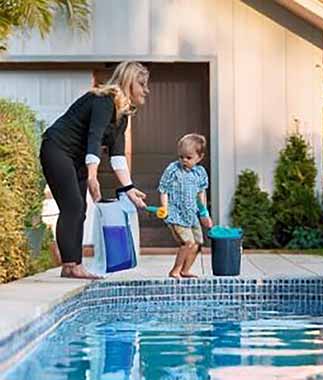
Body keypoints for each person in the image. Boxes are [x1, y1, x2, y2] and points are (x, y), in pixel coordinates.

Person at [40, 61, 150, 279]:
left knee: (79, 210)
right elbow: (94, 137)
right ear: (129, 82)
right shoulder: (103, 101)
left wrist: (129, 188)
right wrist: (92, 176)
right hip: (57, 149)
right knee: (72, 206)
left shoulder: (122, 115)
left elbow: (117, 156)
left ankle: (72, 266)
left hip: (77, 157)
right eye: (142, 84)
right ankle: (72, 264)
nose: (146, 89)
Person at [158, 133, 213, 278]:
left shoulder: (200, 173)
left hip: (192, 214)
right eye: (181, 157)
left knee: (198, 243)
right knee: (187, 242)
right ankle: (175, 270)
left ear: (199, 157)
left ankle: (185, 270)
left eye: (189, 158)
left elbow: (201, 193)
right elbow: (163, 189)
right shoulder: (173, 169)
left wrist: (204, 213)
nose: (184, 160)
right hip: (176, 214)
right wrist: (164, 208)